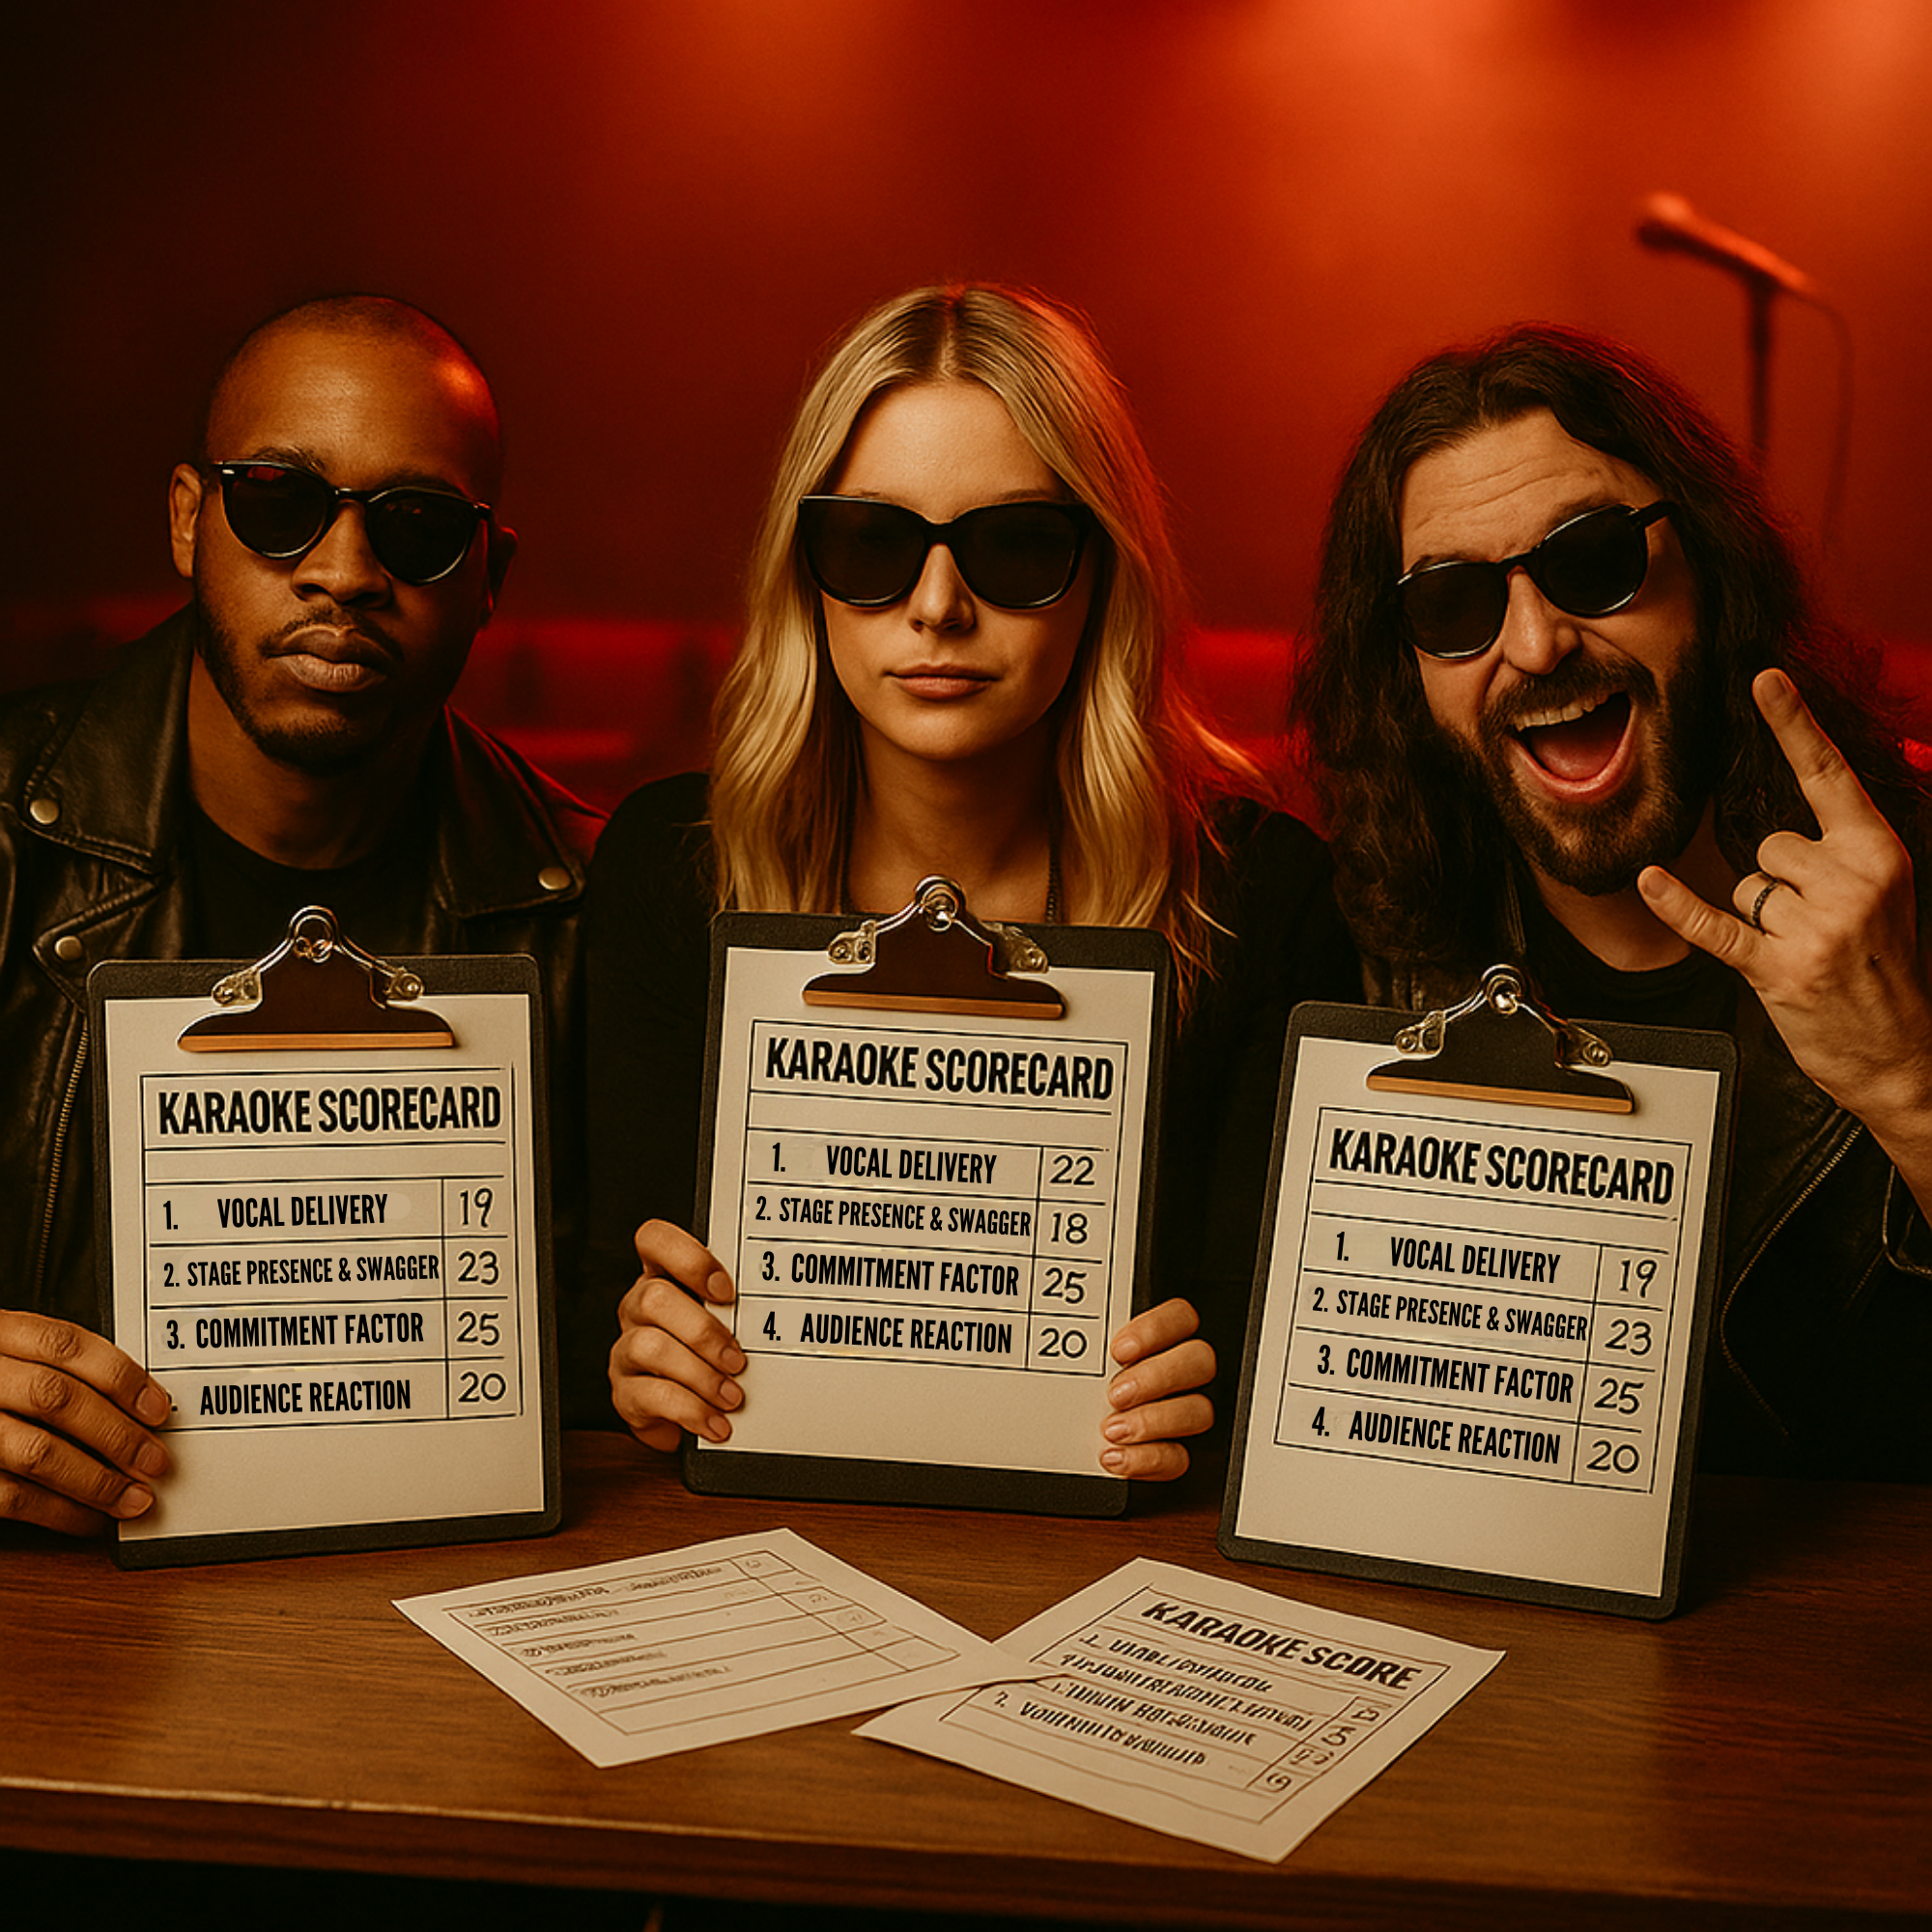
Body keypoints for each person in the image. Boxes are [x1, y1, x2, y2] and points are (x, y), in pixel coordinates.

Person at [589, 283, 1355, 1479]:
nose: (938, 607)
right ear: (807, 572)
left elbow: (1284, 1359)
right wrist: (636, 1354)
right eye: (872, 546)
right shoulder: (665, 871)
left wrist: (1215, 1388)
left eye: (1012, 548)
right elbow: (610, 1299)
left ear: (1100, 572)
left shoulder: (1261, 898)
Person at [0, 295, 604, 1535]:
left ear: (489, 576)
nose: (342, 571)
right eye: (279, 501)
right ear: (187, 519)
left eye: (418, 525)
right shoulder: (5, 845)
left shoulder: (590, 907)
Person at [1299, 320, 1932, 1480]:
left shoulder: (1911, 879)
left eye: (1591, 562)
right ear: (1407, 671)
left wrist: (1905, 1086)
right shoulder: (1371, 943)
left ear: (1708, 570)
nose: (1535, 643)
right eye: (1452, 606)